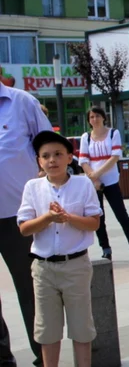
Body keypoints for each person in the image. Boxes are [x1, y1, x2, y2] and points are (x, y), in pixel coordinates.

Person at [18, 131, 101, 367]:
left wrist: (68, 218)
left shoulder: (82, 184)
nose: (52, 160)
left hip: (76, 265)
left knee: (81, 327)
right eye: (45, 156)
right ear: (39, 161)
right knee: (47, 330)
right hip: (44, 269)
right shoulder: (33, 187)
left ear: (69, 158)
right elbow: (24, 228)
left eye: (57, 154)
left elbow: (94, 223)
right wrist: (48, 218)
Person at [0, 80, 51, 367]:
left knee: (31, 289)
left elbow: (48, 148)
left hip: (20, 217)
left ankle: (43, 356)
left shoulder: (22, 103)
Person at [78, 106, 129, 263]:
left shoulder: (112, 133)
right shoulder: (86, 137)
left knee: (121, 215)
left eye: (97, 116)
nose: (94, 120)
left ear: (103, 117)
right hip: (94, 184)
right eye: (91, 117)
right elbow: (83, 160)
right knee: (99, 218)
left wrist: (98, 173)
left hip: (110, 181)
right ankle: (106, 250)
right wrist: (93, 177)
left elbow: (115, 156)